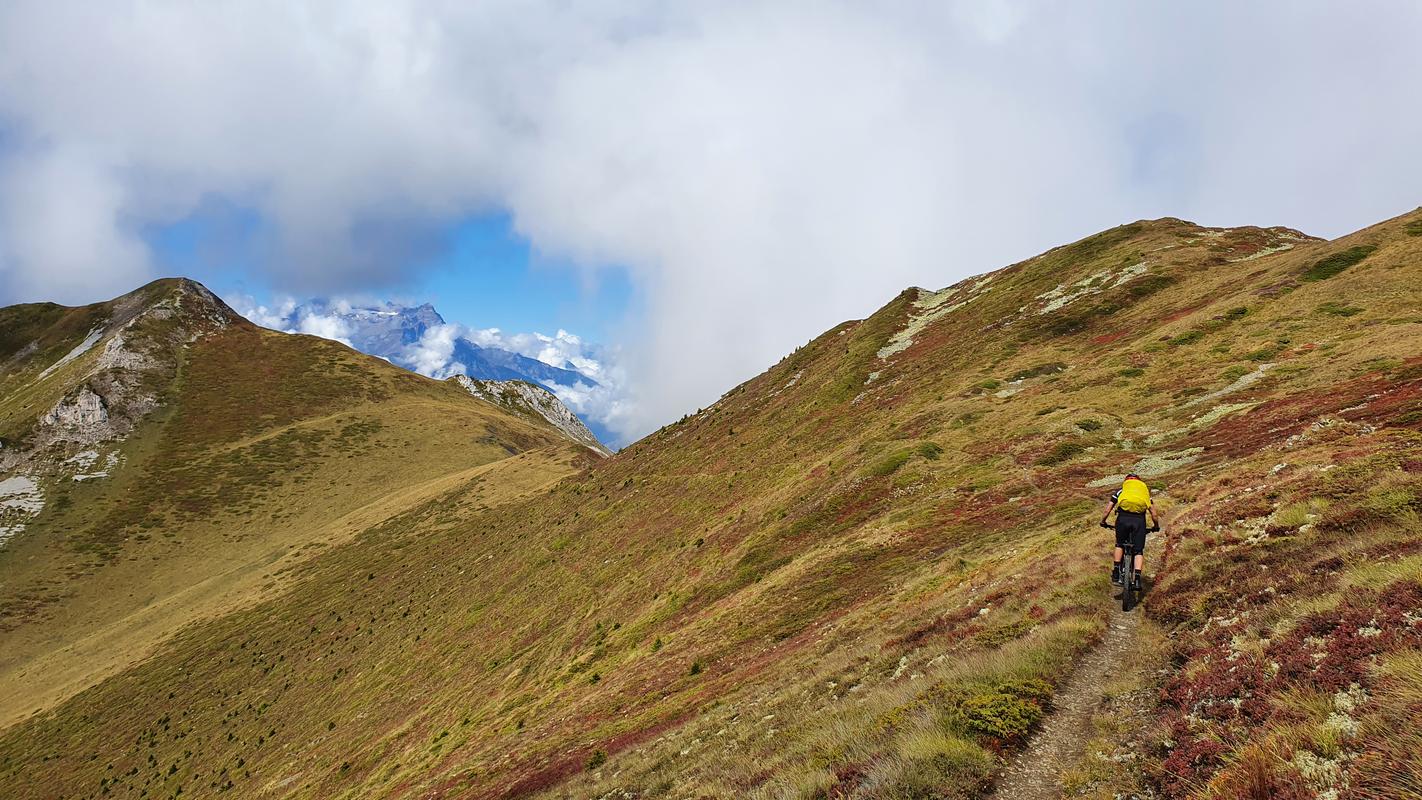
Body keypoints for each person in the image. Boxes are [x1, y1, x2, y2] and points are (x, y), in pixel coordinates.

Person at [1099, 472, 1160, 587]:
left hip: (1123, 519)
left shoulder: (1121, 491)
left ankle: (1116, 571)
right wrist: (1156, 526)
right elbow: (1154, 513)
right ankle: (1137, 579)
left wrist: (1103, 521)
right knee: (1138, 551)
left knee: (1119, 545)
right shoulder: (1144, 493)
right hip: (1139, 521)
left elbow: (1107, 510)